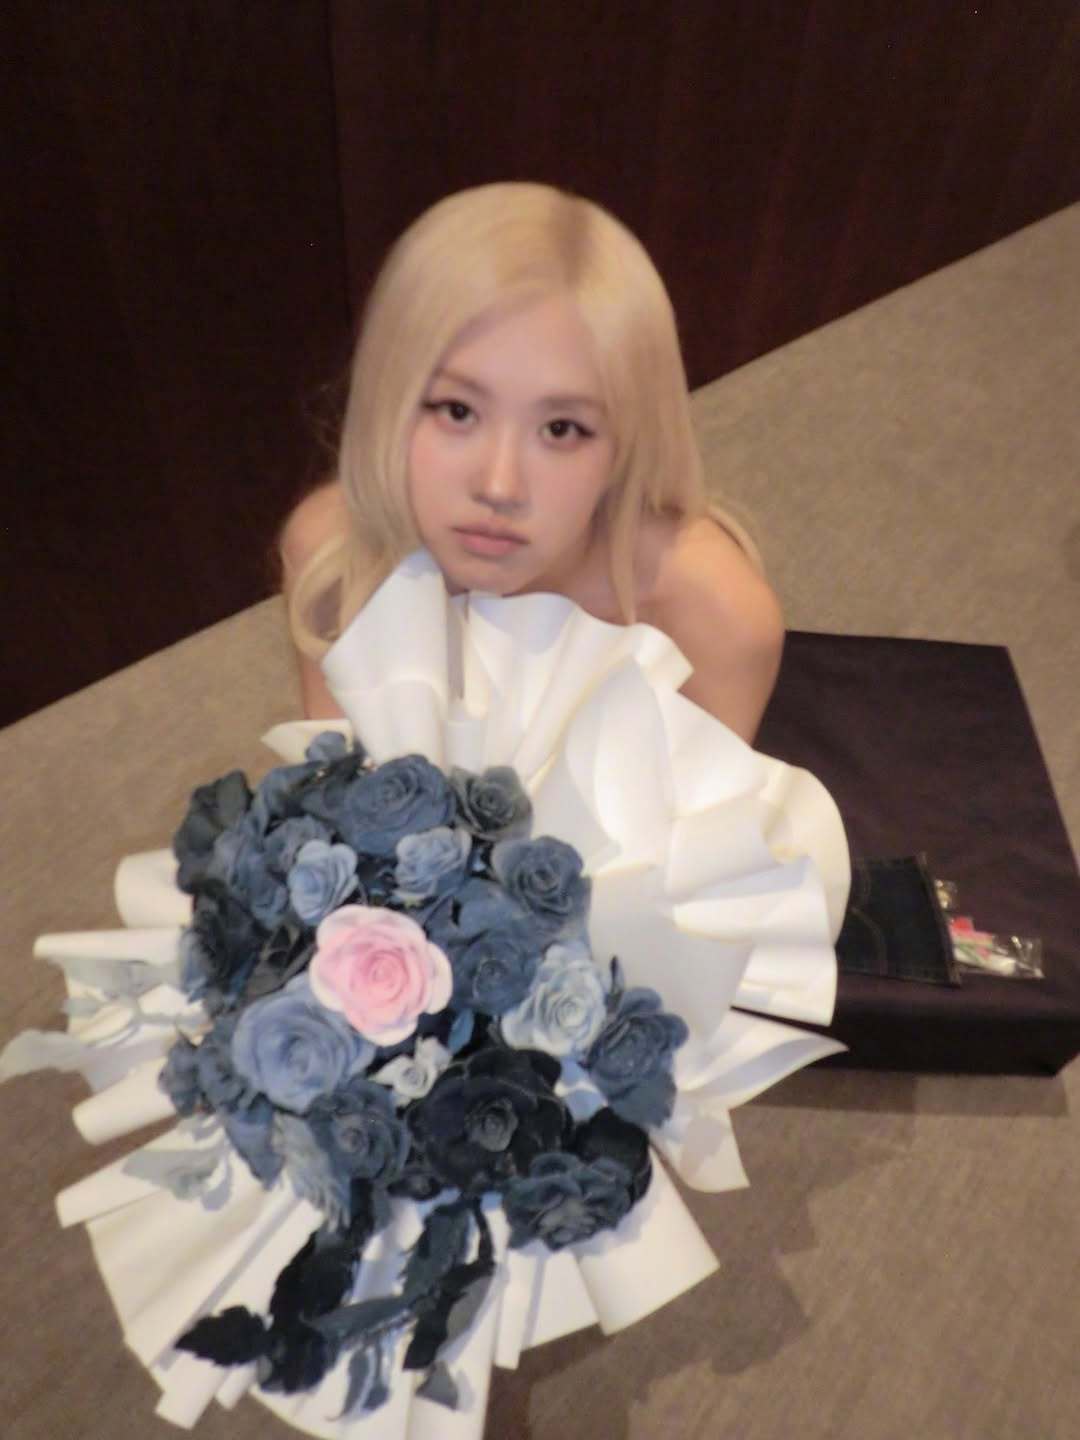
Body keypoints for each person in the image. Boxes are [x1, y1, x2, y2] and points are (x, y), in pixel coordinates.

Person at [280, 181, 783, 742]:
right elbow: (332, 774)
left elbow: (709, 795)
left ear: (629, 442)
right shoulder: (332, 556)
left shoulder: (715, 616)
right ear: (385, 397)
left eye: (561, 429)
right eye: (457, 411)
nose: (500, 485)